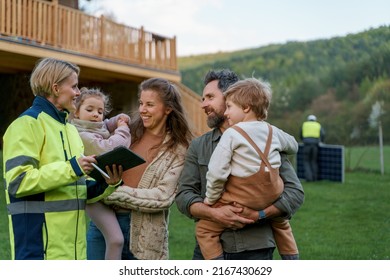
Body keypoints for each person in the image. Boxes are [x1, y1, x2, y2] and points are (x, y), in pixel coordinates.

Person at [175, 69, 304, 260]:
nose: (203, 105)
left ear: (230, 97)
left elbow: (295, 193)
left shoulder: (267, 139)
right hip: (208, 249)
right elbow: (183, 196)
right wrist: (214, 213)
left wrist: (259, 214)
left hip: (255, 249)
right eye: (203, 98)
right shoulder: (198, 145)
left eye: (210, 97)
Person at [2, 57, 123, 260]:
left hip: (73, 253)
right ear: (56, 88)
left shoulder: (70, 130)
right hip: (37, 250)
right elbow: (18, 181)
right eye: (74, 86)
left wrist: (107, 183)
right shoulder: (26, 124)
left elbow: (76, 188)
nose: (78, 93)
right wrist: (72, 168)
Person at [87, 77, 193, 260]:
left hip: (143, 232)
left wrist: (110, 191)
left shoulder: (179, 149)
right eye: (141, 103)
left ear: (168, 108)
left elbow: (163, 196)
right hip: (103, 223)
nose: (142, 110)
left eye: (150, 105)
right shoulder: (126, 133)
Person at [70, 87, 131, 260]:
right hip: (92, 194)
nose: (96, 114)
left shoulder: (95, 126)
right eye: (89, 110)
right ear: (76, 111)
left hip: (105, 189)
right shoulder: (81, 134)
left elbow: (106, 124)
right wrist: (123, 127)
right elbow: (111, 148)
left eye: (100, 111)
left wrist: (119, 119)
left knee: (112, 239)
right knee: (116, 240)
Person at [300, 114, 325, 181]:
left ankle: (309, 178)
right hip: (315, 145)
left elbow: (301, 134)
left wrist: (303, 140)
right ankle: (315, 178)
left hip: (306, 145)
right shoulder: (318, 125)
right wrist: (321, 141)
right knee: (314, 161)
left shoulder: (304, 124)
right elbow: (322, 134)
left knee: (306, 161)